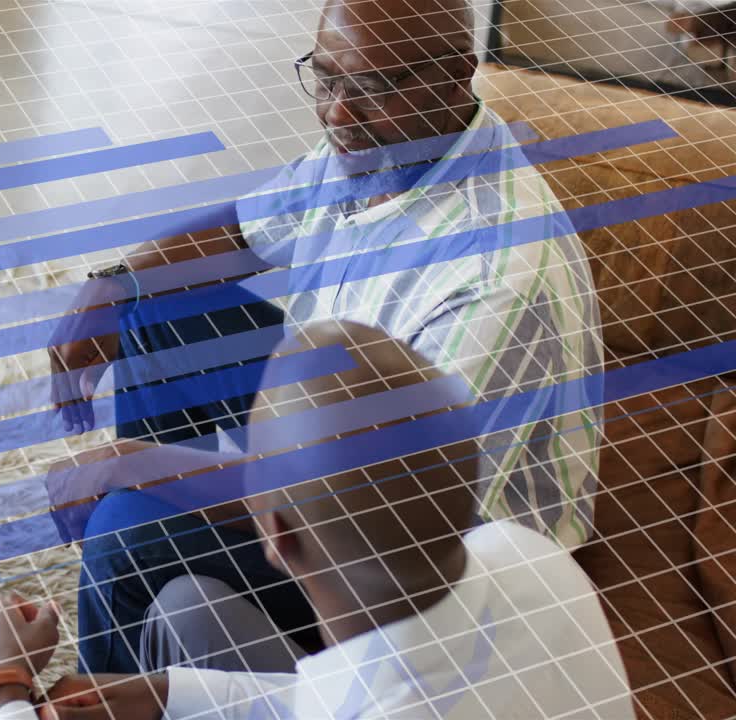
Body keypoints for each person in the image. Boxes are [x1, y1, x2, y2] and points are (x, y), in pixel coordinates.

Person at [45, 0, 604, 674]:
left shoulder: (492, 279)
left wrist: (141, 468)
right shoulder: (380, 146)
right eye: (329, 78)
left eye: (372, 86)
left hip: (433, 558)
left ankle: (126, 667)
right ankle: (175, 593)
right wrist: (114, 284)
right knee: (157, 308)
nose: (338, 113)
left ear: (457, 75)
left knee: (126, 532)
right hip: (350, 434)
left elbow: (380, 499)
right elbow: (245, 228)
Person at [0, 323, 631, 719]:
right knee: (186, 610)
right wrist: (171, 694)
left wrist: (4, 687)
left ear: (274, 534)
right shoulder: (529, 554)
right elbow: (337, 698)